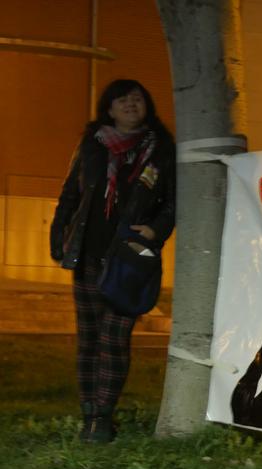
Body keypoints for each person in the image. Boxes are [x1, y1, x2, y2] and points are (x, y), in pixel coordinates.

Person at [50, 79, 176, 443]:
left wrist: (156, 230)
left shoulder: (161, 149)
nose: (130, 104)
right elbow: (70, 195)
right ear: (109, 108)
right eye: (122, 100)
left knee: (115, 337)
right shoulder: (92, 145)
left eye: (137, 99)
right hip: (88, 255)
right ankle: (88, 413)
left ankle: (104, 416)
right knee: (89, 338)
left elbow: (175, 199)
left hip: (130, 259)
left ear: (147, 106)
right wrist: (59, 236)